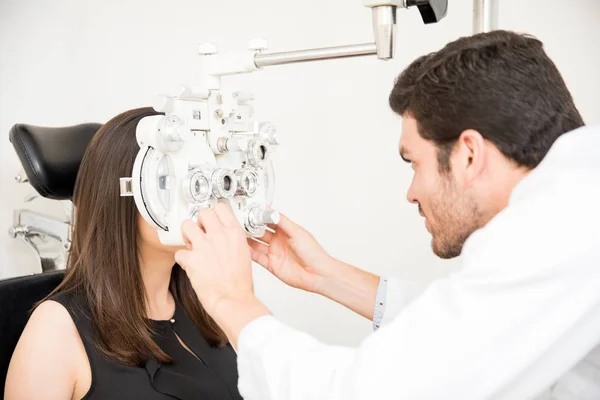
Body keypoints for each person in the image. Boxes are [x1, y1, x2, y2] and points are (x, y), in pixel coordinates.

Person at [174, 30, 600, 399]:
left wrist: (231, 301)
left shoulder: (558, 229)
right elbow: (476, 324)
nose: (411, 194)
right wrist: (325, 275)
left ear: (469, 154)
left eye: (414, 163)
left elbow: (364, 394)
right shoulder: (574, 202)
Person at [5, 108, 243, 400]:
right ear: (125, 195)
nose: (194, 197)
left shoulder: (207, 303)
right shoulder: (56, 329)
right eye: (168, 181)